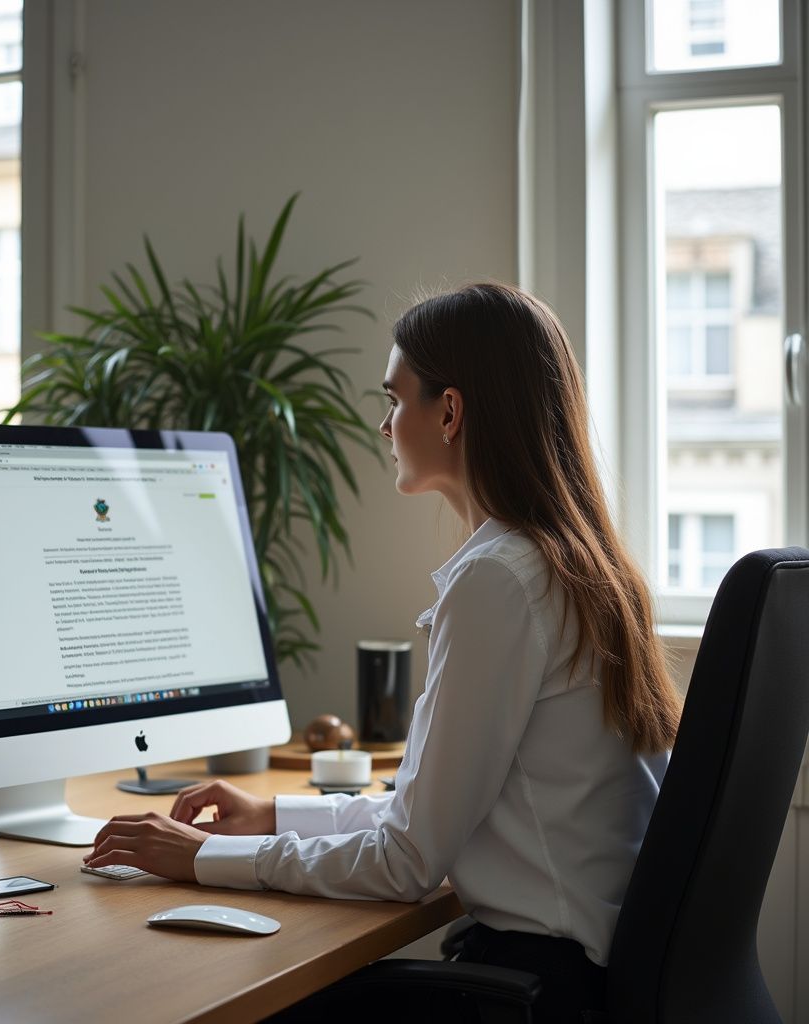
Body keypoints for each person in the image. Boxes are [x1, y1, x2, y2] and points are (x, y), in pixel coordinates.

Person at [84, 281, 682, 1023]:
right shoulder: (573, 565)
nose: (384, 422)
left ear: (451, 412)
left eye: (396, 399)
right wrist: (274, 814)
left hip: (541, 988)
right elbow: (420, 817)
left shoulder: (498, 578)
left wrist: (198, 858)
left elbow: (405, 864)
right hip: (575, 975)